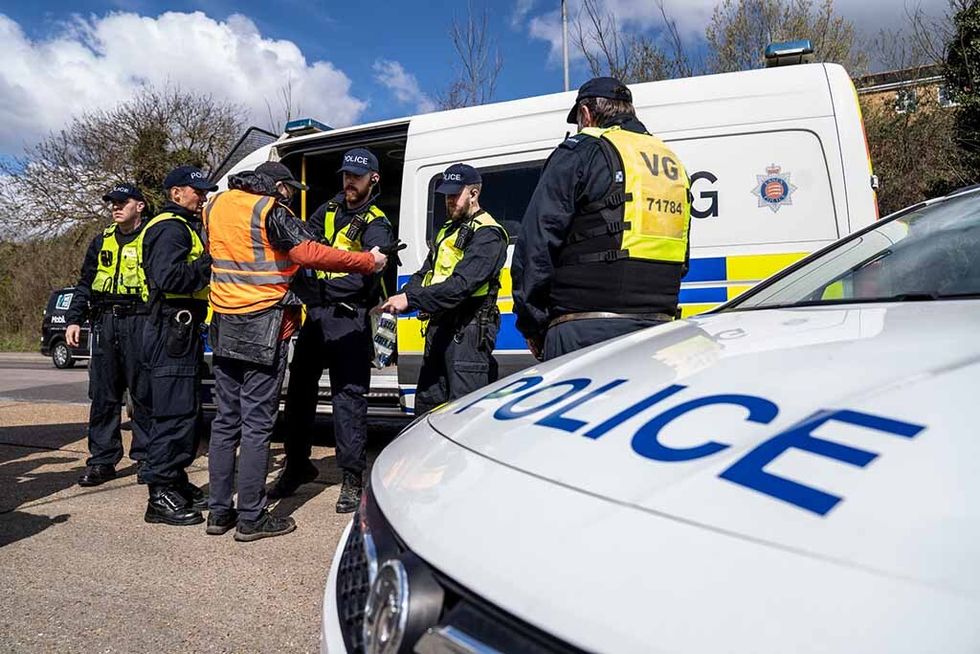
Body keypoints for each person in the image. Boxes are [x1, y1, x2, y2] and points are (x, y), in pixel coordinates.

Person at [204, 161, 386, 540]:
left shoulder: (215, 206)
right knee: (256, 425)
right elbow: (307, 252)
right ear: (275, 185)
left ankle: (219, 513)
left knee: (224, 422)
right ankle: (251, 517)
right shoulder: (269, 210)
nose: (288, 196)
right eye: (287, 189)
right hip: (262, 327)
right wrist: (367, 261)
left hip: (223, 325)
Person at [512, 76, 692, 360]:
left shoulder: (581, 151)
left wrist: (531, 324)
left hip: (584, 331)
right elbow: (681, 256)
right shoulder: (670, 161)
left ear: (586, 114)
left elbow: (536, 245)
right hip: (659, 330)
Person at [270, 148, 394, 514]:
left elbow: (365, 279)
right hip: (317, 316)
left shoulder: (377, 221)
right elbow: (301, 246)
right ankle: (296, 466)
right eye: (345, 175)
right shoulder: (328, 209)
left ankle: (352, 477)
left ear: (373, 178)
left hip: (349, 319)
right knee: (299, 393)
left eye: (356, 176)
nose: (348, 182)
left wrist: (314, 289)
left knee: (348, 399)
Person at [380, 163, 508, 416]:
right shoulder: (447, 231)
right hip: (440, 328)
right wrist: (407, 293)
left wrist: (411, 298)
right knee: (428, 407)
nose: (449, 201)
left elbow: (461, 286)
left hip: (468, 331)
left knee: (464, 415)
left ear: (473, 194)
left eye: (455, 195)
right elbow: (425, 273)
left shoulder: (489, 234)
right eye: (446, 195)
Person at [137, 165, 215, 526]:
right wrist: (207, 264)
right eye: (196, 191)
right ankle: (160, 494)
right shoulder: (171, 228)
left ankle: (175, 480)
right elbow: (169, 276)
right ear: (176, 194)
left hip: (177, 328)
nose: (202, 196)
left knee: (183, 409)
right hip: (171, 328)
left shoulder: (180, 225)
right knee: (174, 412)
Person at [68, 183, 153, 487]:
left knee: (143, 394)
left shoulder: (151, 237)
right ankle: (102, 461)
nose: (116, 207)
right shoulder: (101, 240)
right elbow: (85, 282)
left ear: (139, 206)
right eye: (112, 203)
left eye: (122, 202)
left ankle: (145, 458)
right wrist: (74, 319)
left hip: (139, 321)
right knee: (103, 395)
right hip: (104, 322)